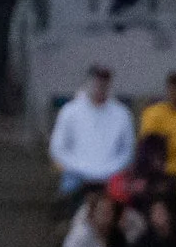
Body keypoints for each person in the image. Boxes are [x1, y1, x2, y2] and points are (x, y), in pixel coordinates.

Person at [50, 64, 135, 198]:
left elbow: (128, 151)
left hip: (111, 173)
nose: (100, 85)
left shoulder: (122, 113)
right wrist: (77, 167)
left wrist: (111, 169)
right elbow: (57, 148)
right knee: (67, 192)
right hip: (76, 173)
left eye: (104, 81)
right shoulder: (69, 111)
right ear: (88, 82)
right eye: (97, 80)